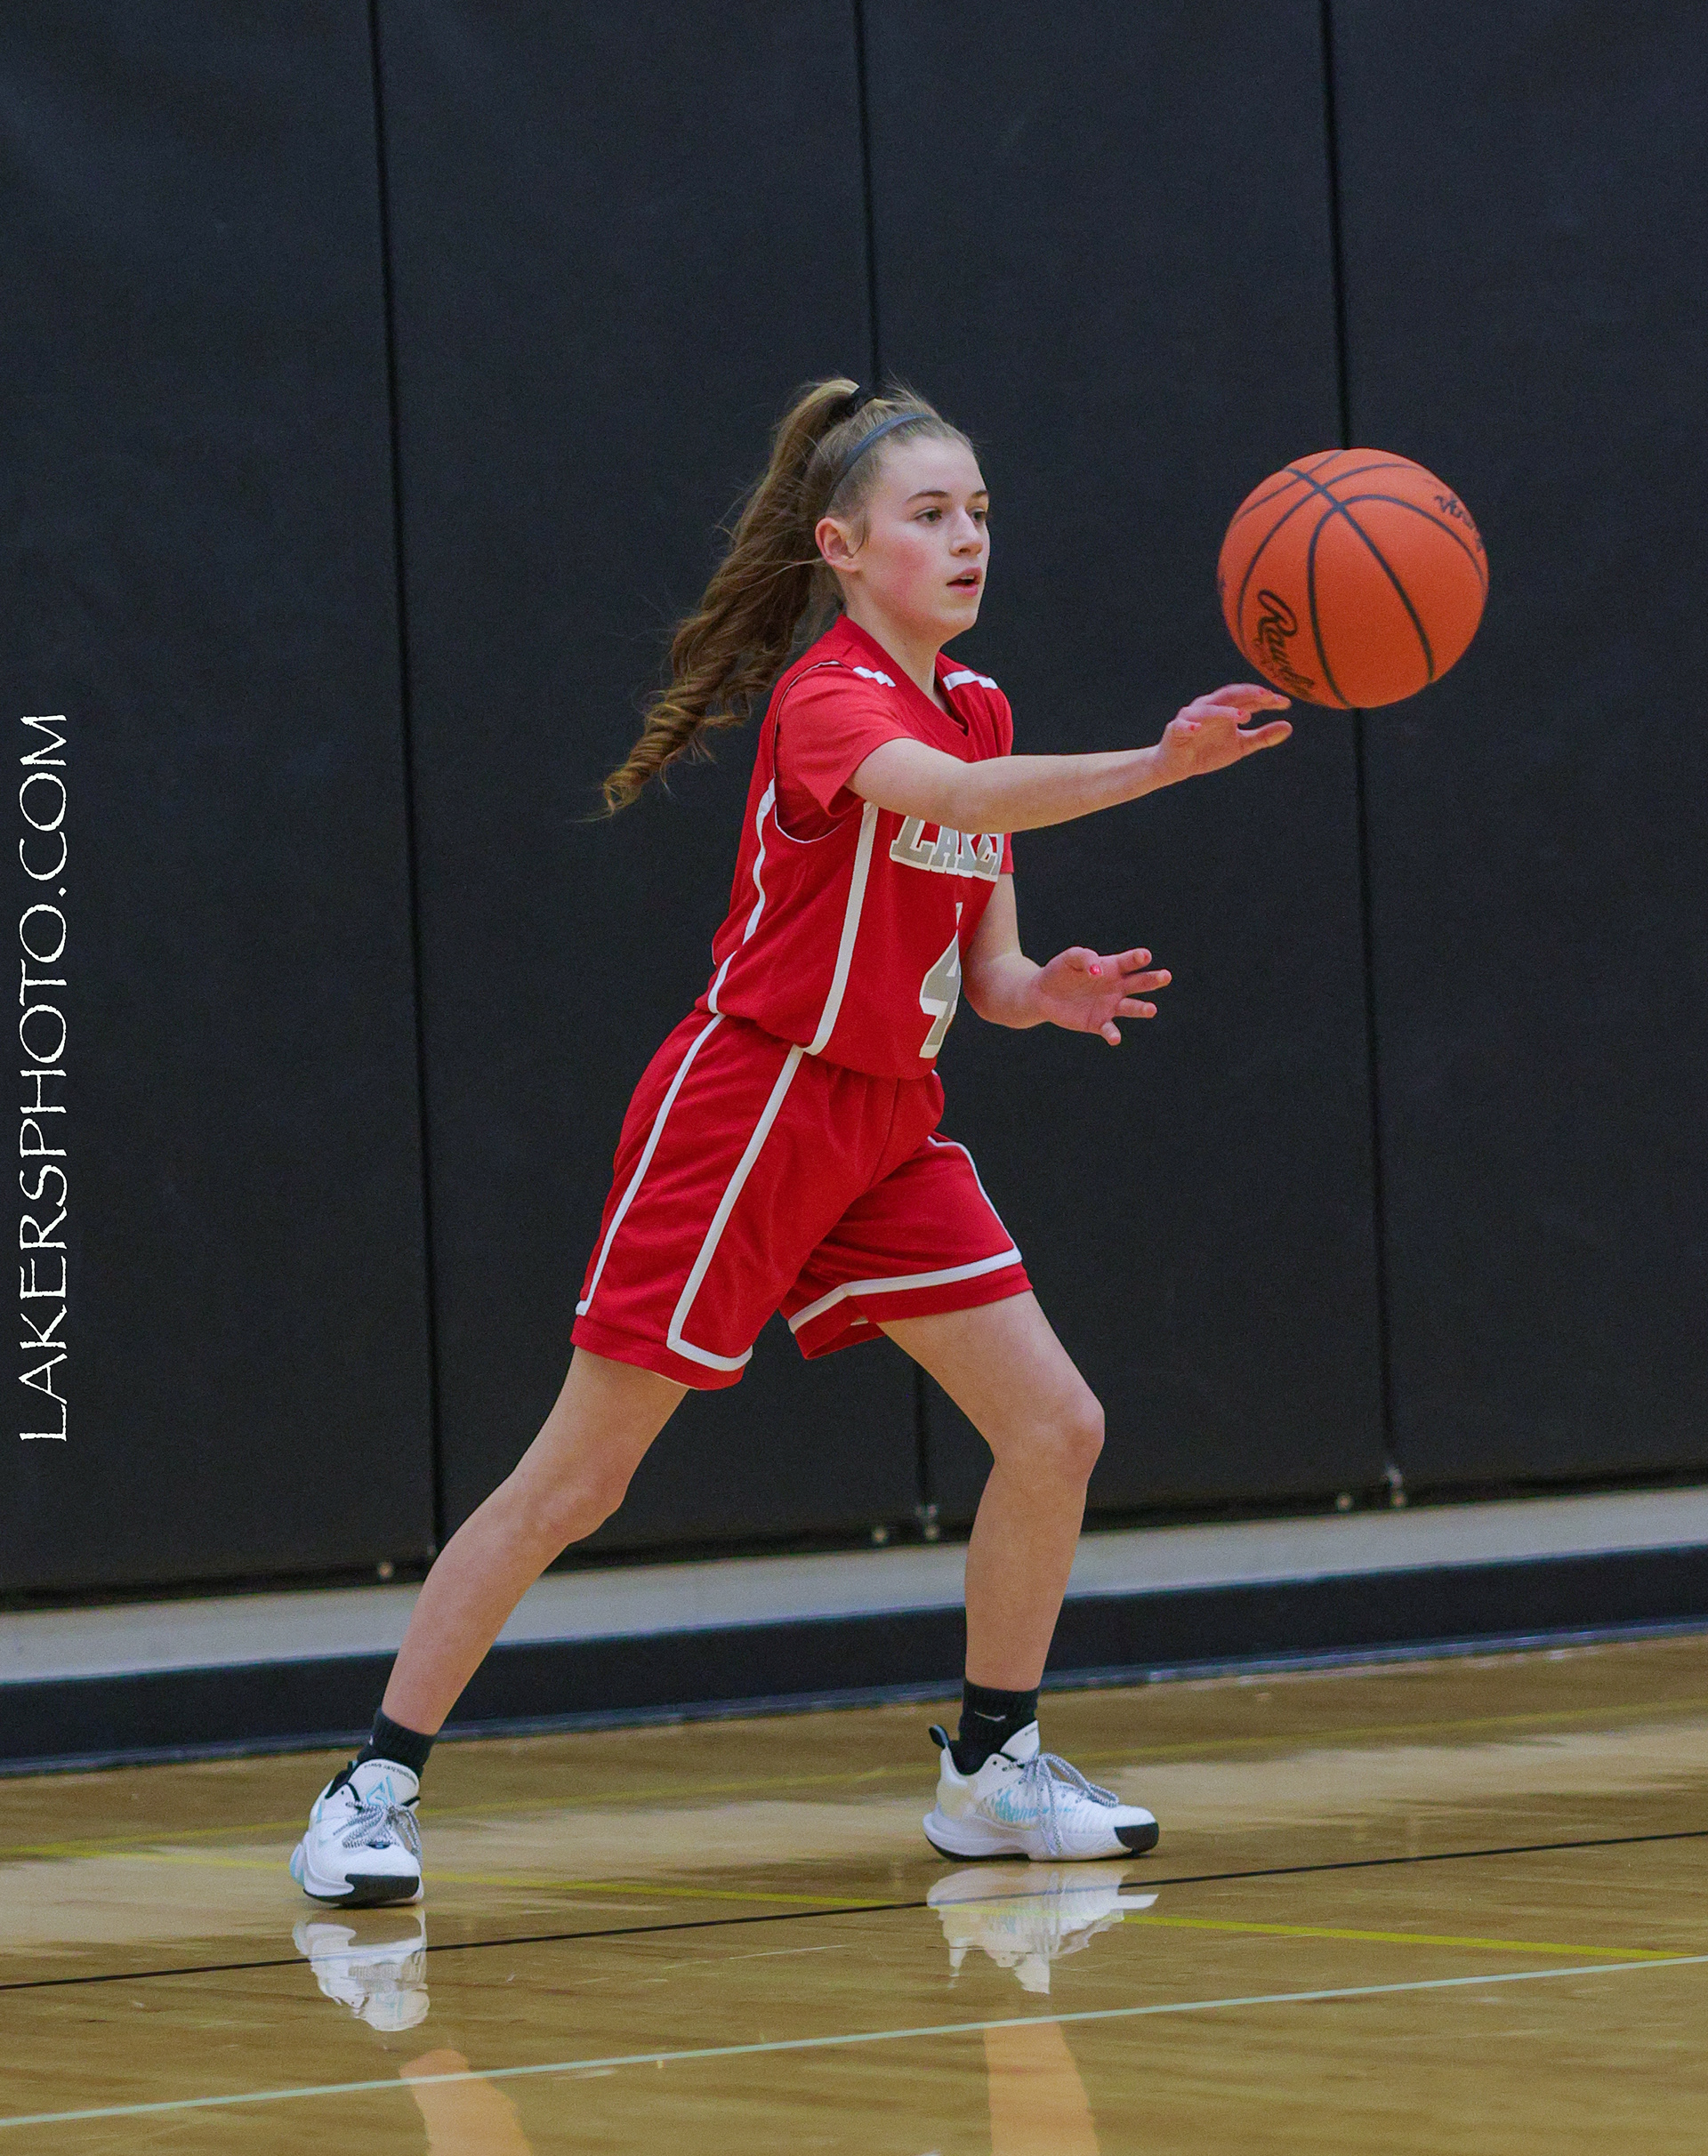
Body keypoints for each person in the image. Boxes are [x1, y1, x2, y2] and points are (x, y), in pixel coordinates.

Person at [290, 379, 1292, 1906]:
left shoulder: (981, 704)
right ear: (844, 546)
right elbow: (954, 800)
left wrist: (1045, 990)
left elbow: (986, 966)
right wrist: (1157, 765)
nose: (969, 539)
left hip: (888, 1121)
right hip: (752, 1108)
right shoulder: (832, 701)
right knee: (580, 1478)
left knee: (1056, 1426)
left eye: (980, 513)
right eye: (931, 515)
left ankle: (991, 1770)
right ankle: (372, 1786)